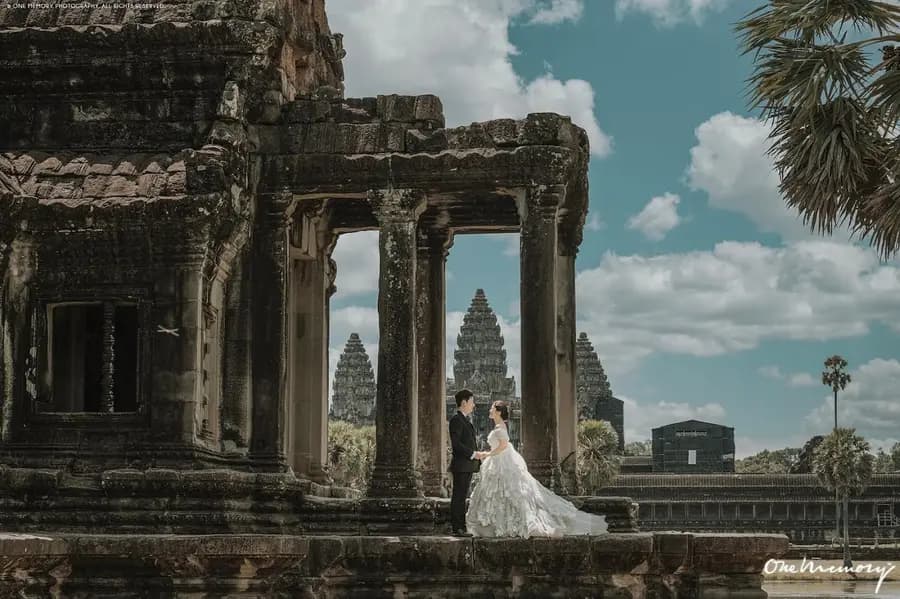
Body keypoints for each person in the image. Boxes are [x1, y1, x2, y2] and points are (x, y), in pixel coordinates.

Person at [466, 400, 608, 538]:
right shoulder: (500, 426)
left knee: (506, 492)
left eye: (492, 408)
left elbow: (503, 446)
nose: (490, 410)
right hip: (501, 461)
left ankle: (502, 522)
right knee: (501, 492)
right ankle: (498, 522)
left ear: (498, 412)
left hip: (501, 461)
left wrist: (487, 454)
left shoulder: (500, 428)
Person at [448, 388, 481, 537]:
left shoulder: (465, 420)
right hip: (461, 465)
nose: (473, 405)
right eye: (471, 402)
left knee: (462, 496)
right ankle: (458, 528)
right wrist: (473, 454)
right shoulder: (456, 420)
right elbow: (456, 444)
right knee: (459, 496)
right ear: (464, 402)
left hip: (466, 465)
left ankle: (461, 526)